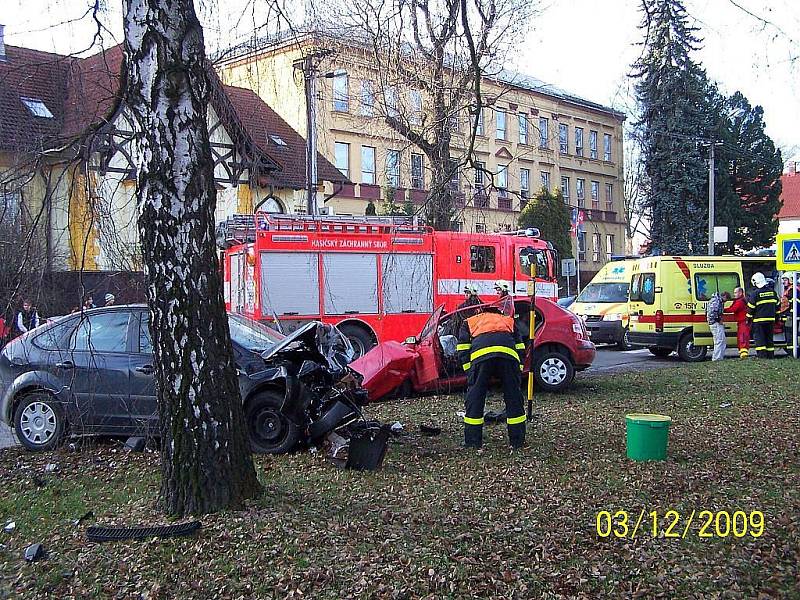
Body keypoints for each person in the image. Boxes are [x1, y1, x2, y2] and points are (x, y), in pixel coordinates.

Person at [457, 301, 526, 449]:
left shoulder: (470, 322)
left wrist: (471, 374)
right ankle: (517, 441)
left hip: (481, 358)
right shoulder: (508, 320)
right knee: (514, 397)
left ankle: (473, 442)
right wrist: (517, 370)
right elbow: (520, 346)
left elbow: (463, 348)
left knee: (475, 398)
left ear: (479, 311)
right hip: (508, 357)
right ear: (499, 312)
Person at [746, 272, 779, 358]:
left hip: (758, 321)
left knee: (760, 339)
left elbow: (751, 308)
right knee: (769, 339)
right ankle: (771, 356)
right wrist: (777, 318)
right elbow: (777, 306)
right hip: (771, 320)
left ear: (755, 282)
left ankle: (762, 356)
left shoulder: (755, 293)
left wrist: (748, 319)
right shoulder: (773, 292)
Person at [725, 287, 750, 359]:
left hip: (743, 322)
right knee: (741, 338)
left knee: (742, 338)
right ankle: (742, 354)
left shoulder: (740, 301)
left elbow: (733, 309)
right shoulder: (739, 300)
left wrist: (722, 310)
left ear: (740, 293)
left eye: (736, 292)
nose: (734, 294)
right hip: (742, 322)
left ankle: (744, 355)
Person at [706, 291, 727, 361]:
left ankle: (718, 357)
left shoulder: (715, 300)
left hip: (714, 322)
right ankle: (717, 358)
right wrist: (718, 320)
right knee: (719, 340)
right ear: (724, 296)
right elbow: (713, 312)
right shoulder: (716, 301)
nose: (725, 301)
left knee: (720, 340)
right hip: (715, 323)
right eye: (726, 299)